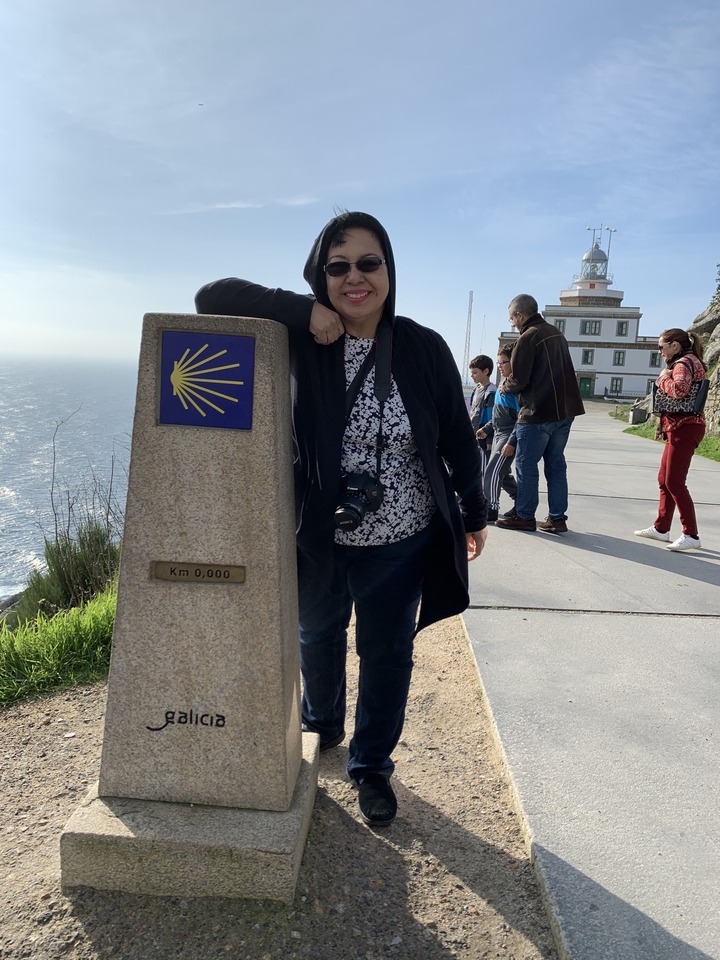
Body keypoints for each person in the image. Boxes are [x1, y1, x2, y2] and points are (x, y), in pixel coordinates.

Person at [194, 211, 488, 826]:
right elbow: (210, 297)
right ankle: (320, 727)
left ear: (389, 270)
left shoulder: (423, 346)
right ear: (321, 275)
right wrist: (301, 311)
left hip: (401, 537)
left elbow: (459, 439)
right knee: (316, 636)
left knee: (386, 653)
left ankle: (372, 766)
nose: (355, 277)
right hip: (319, 533)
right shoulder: (305, 337)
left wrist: (473, 510)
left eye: (369, 263)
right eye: (338, 266)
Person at [495, 294, 585, 534]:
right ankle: (557, 518)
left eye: (512, 319)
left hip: (538, 412)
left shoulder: (528, 337)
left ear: (520, 315)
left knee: (526, 464)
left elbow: (519, 380)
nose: (512, 324)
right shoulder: (556, 333)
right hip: (565, 411)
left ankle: (524, 515)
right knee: (555, 465)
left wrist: (504, 386)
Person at [634, 328, 707, 551]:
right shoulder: (689, 360)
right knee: (664, 479)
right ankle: (661, 528)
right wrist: (662, 426)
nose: (660, 352)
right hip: (680, 427)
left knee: (674, 481)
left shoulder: (684, 363)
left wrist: (661, 380)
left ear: (674, 345)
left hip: (686, 428)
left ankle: (691, 534)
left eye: (661, 347)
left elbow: (679, 390)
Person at [480, 348, 519, 523]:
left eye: (503, 362)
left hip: (508, 435)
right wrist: (487, 429)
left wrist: (511, 441)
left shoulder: (517, 389)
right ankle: (520, 501)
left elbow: (522, 419)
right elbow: (497, 417)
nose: (500, 366)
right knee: (502, 474)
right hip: (497, 434)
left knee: (493, 471)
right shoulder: (503, 385)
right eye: (499, 363)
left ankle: (491, 508)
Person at [468, 355, 496, 482]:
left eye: (475, 372)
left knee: (487, 471)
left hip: (484, 439)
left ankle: (515, 494)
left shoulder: (490, 392)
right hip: (474, 436)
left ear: (486, 372)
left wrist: (489, 439)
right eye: (471, 373)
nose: (472, 376)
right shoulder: (476, 390)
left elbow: (492, 418)